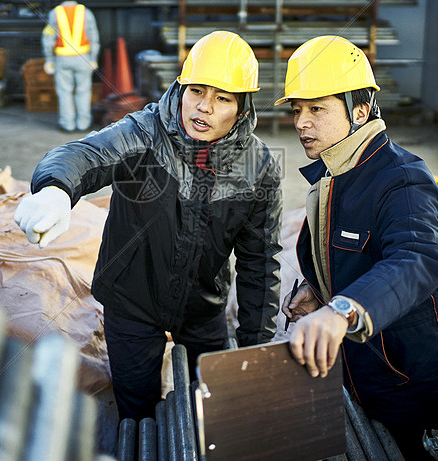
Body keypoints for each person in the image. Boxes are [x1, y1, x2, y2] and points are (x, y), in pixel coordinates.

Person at [15, 30, 282, 421]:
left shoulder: (257, 166)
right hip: (132, 303)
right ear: (180, 87)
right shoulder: (145, 132)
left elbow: (260, 260)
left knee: (215, 409)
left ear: (242, 110)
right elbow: (85, 155)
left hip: (203, 307)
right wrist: (57, 189)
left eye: (222, 98)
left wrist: (255, 346)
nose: (203, 108)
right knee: (137, 412)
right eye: (196, 92)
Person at [278, 36, 438, 460]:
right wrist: (319, 290)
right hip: (360, 373)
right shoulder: (337, 175)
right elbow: (353, 256)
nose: (302, 123)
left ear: (360, 110)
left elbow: (417, 259)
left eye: (317, 109)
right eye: (297, 110)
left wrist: (342, 311)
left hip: (411, 387)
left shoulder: (401, 179)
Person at [41, 0, 100, 132]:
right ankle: (83, 124)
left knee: (64, 92)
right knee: (84, 91)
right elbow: (94, 38)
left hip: (62, 59)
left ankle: (68, 124)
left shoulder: (55, 13)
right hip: (83, 58)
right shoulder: (86, 13)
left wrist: (49, 60)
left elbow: (48, 38)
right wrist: (93, 59)